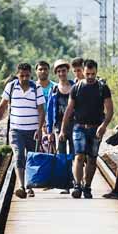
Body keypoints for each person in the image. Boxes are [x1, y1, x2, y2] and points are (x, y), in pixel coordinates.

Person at [60, 59, 113, 199]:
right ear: (83, 71)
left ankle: (87, 186)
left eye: (93, 74)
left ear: (96, 72)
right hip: (79, 128)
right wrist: (62, 130)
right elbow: (69, 110)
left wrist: (104, 126)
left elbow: (110, 110)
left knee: (92, 158)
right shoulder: (76, 88)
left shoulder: (102, 88)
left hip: (96, 129)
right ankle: (77, 185)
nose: (90, 77)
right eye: (88, 73)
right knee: (79, 156)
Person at [0, 63, 46, 199]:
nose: (25, 78)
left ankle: (30, 185)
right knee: (18, 156)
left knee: (30, 158)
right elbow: (1, 107)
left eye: (27, 75)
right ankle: (22, 186)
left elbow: (41, 110)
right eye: (22, 75)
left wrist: (39, 129)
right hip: (16, 130)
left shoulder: (36, 87)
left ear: (30, 75)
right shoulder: (11, 87)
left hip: (32, 130)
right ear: (17, 75)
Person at [46, 59, 76, 193]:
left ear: (67, 71)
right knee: (62, 155)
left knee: (76, 155)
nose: (61, 73)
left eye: (63, 70)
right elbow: (49, 110)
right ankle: (65, 184)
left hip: (75, 125)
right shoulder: (54, 89)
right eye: (59, 71)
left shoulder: (75, 86)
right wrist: (49, 130)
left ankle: (76, 182)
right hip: (59, 126)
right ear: (56, 73)